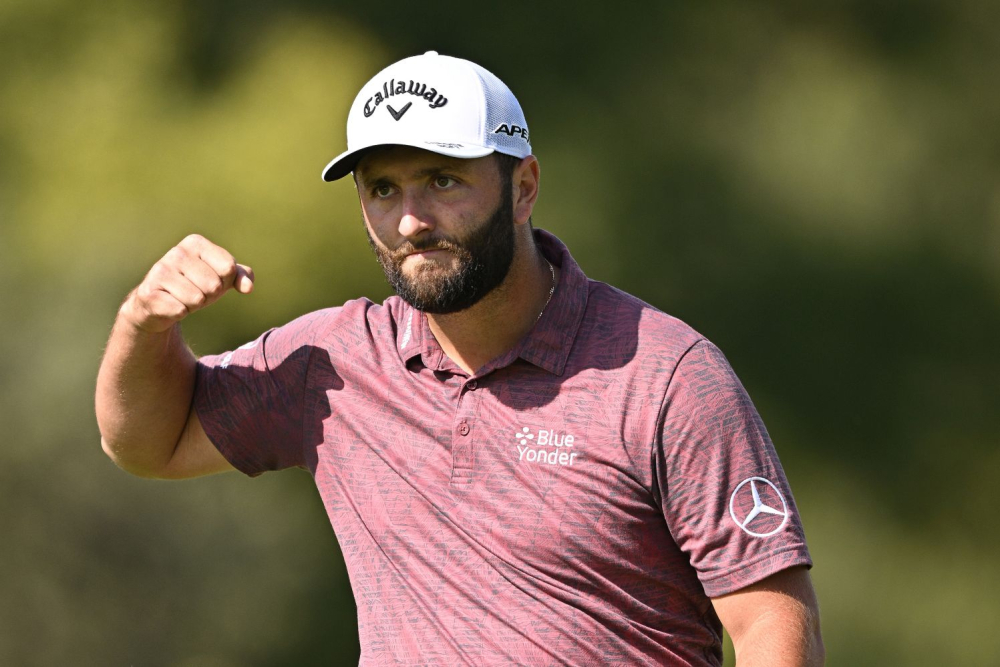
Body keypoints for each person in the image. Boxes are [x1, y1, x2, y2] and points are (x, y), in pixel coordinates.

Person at [96, 51, 824, 666]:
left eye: (443, 179)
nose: (411, 219)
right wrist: (143, 323)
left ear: (524, 187)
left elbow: (769, 619)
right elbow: (147, 441)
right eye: (383, 189)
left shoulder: (662, 373)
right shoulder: (334, 364)